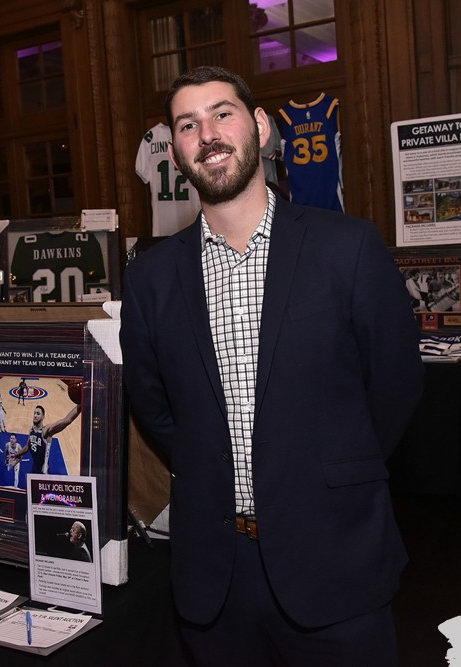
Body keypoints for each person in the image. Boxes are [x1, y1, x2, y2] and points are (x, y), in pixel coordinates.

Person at [119, 66, 423, 665]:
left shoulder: (349, 248)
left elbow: (395, 387)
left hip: (334, 559)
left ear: (259, 125)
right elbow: (153, 404)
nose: (207, 134)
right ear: (176, 148)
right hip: (216, 577)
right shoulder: (150, 278)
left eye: (222, 114)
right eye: (188, 124)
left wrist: (331, 472)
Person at [26, 402, 80, 476]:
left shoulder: (47, 431)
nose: (35, 415)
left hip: (43, 473)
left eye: (38, 413)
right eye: (34, 413)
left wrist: (80, 406)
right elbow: (27, 447)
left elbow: (67, 420)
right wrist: (16, 455)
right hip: (34, 469)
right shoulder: (31, 430)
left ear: (43, 417)